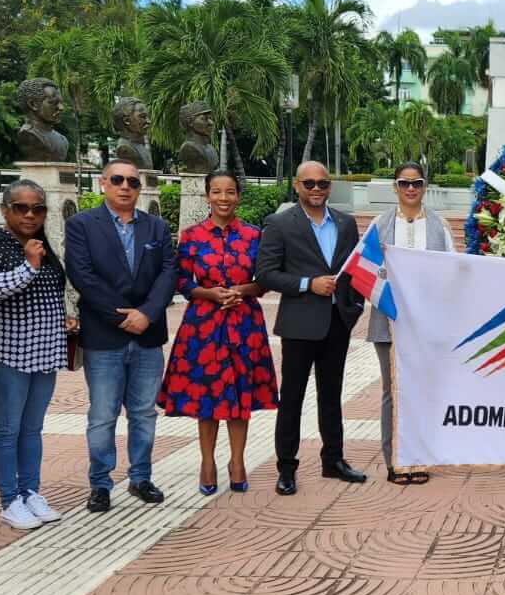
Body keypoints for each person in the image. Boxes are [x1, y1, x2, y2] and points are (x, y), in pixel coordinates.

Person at [65, 159, 176, 513]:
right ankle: (100, 483)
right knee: (102, 415)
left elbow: (168, 272)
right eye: (117, 179)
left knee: (144, 413)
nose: (125, 186)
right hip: (103, 336)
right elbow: (82, 275)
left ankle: (140, 477)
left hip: (148, 335)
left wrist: (147, 314)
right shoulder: (82, 225)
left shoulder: (157, 227)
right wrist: (122, 317)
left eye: (132, 181)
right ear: (103, 183)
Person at [158, 171, 278, 495]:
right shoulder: (192, 235)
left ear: (238, 196)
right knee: (207, 396)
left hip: (244, 323)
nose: (223, 198)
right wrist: (210, 294)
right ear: (207, 196)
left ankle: (237, 461)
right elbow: (183, 281)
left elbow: (266, 280)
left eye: (229, 192)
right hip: (204, 325)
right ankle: (207, 461)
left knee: (240, 393)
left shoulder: (255, 235)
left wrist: (241, 290)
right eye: (216, 192)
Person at [256, 161, 367, 496]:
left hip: (337, 323)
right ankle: (286, 468)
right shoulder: (279, 224)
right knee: (292, 397)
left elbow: (355, 271)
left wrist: (354, 308)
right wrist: (307, 284)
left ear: (329, 186)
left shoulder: (346, 224)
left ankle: (333, 460)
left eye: (322, 184)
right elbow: (265, 273)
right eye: (309, 184)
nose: (316, 190)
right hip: (299, 324)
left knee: (331, 396)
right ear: (296, 185)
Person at [0, 180, 75, 530]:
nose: (30, 214)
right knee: (7, 429)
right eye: (21, 207)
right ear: (5, 210)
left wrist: (63, 315)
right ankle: (9, 500)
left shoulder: (42, 244)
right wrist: (29, 266)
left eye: (38, 208)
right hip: (6, 354)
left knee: (32, 429)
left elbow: (51, 289)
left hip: (44, 352)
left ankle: (30, 491)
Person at [368, 162, 455, 486]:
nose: (410, 189)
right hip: (388, 320)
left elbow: (451, 272)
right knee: (392, 390)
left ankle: (419, 458)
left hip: (426, 324)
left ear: (424, 185)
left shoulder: (439, 226)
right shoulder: (379, 225)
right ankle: (394, 461)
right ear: (395, 187)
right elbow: (366, 268)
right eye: (404, 184)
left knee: (422, 390)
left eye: (416, 183)